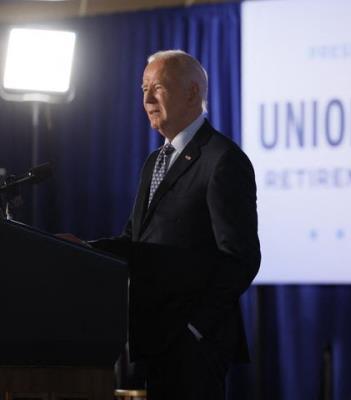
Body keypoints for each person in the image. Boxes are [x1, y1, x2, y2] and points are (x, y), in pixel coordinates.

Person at [91, 50, 261, 399]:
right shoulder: (155, 161)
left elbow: (241, 258)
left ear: (192, 93)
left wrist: (195, 328)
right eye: (143, 89)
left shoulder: (223, 160)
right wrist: (81, 250)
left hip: (194, 348)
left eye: (158, 88)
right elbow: (134, 241)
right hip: (149, 339)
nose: (147, 99)